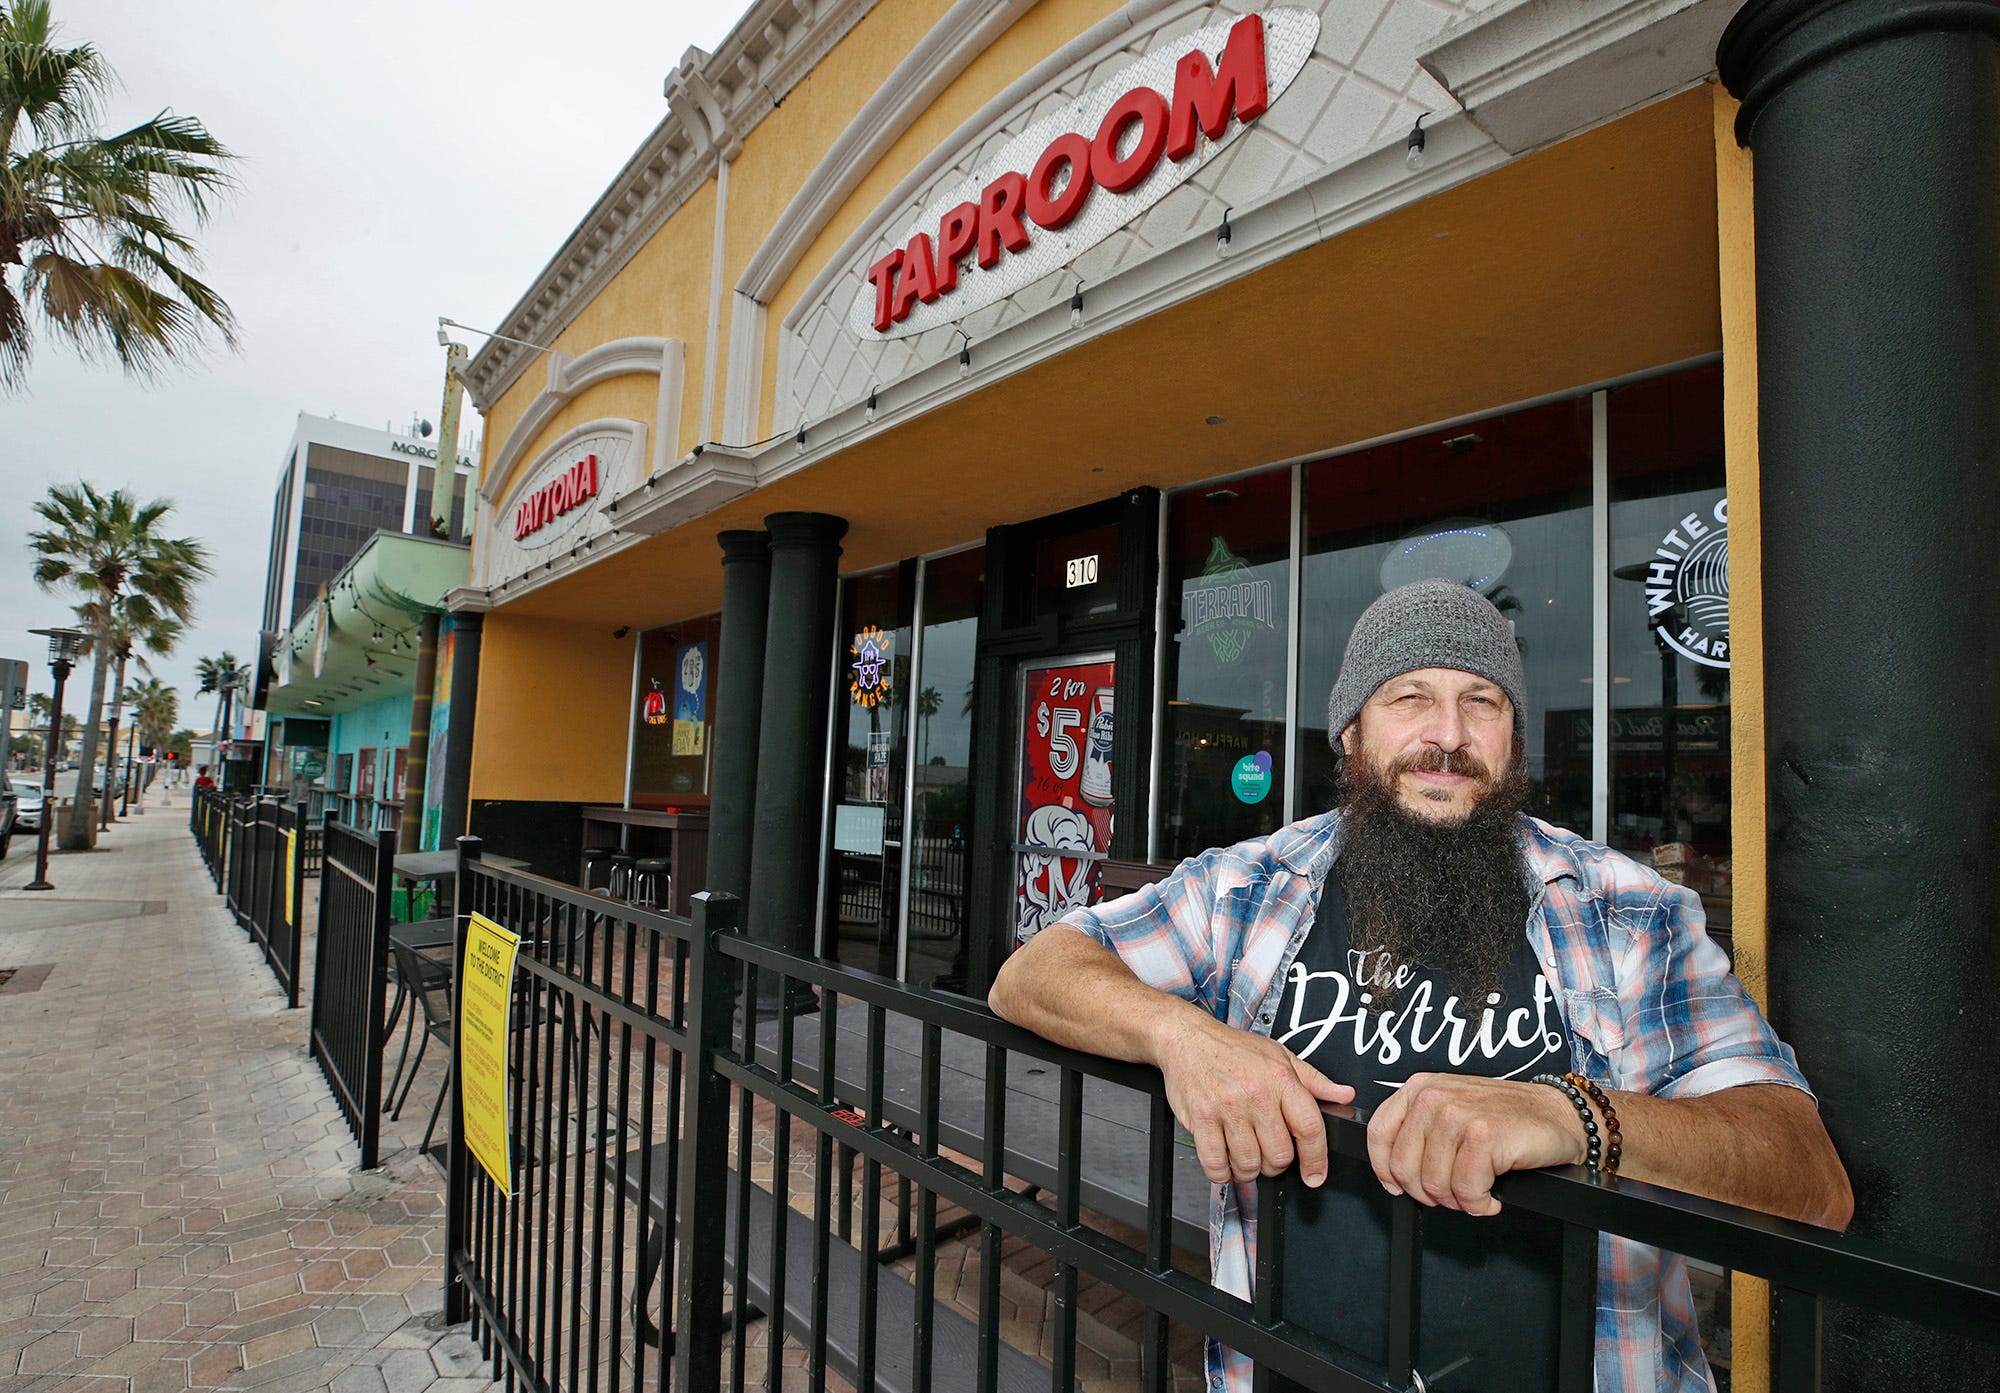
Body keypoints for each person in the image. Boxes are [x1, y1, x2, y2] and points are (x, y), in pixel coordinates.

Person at [990, 578, 1851, 1393]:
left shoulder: (1629, 913)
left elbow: (1810, 1179)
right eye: (1410, 696)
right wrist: (1182, 1037)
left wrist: (1574, 1117)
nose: (1448, 732)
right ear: (1353, 734)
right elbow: (1035, 973)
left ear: (1513, 737)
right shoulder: (1250, 889)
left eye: (1482, 701)